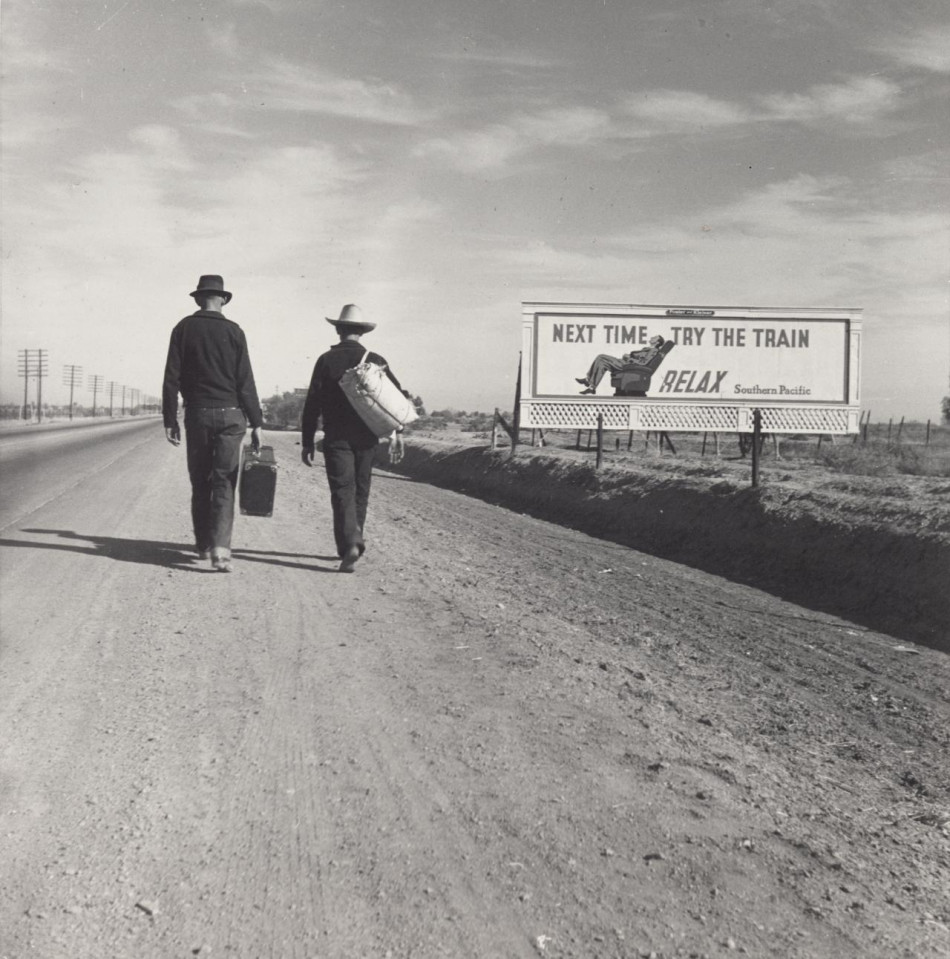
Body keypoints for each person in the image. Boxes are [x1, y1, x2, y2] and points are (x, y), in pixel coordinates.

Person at [162, 274, 263, 572]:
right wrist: (256, 421)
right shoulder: (235, 331)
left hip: (198, 415)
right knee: (224, 481)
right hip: (232, 415)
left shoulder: (183, 328)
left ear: (198, 299)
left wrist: (171, 419)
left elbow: (171, 377)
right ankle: (221, 549)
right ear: (223, 299)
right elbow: (246, 380)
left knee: (200, 480)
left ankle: (203, 544)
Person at [300, 304, 407, 573]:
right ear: (362, 332)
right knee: (361, 490)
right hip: (368, 437)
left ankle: (350, 543)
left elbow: (312, 403)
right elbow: (395, 399)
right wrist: (398, 432)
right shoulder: (376, 358)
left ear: (337, 329)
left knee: (342, 491)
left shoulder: (325, 360)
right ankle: (354, 539)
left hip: (337, 437)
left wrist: (307, 440)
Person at [576, 335, 667, 394]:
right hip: (625, 364)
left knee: (601, 357)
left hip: (626, 366)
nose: (651, 337)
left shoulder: (653, 351)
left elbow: (643, 363)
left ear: (657, 342)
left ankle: (588, 381)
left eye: (654, 337)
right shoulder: (647, 349)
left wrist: (629, 358)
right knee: (602, 364)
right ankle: (592, 387)